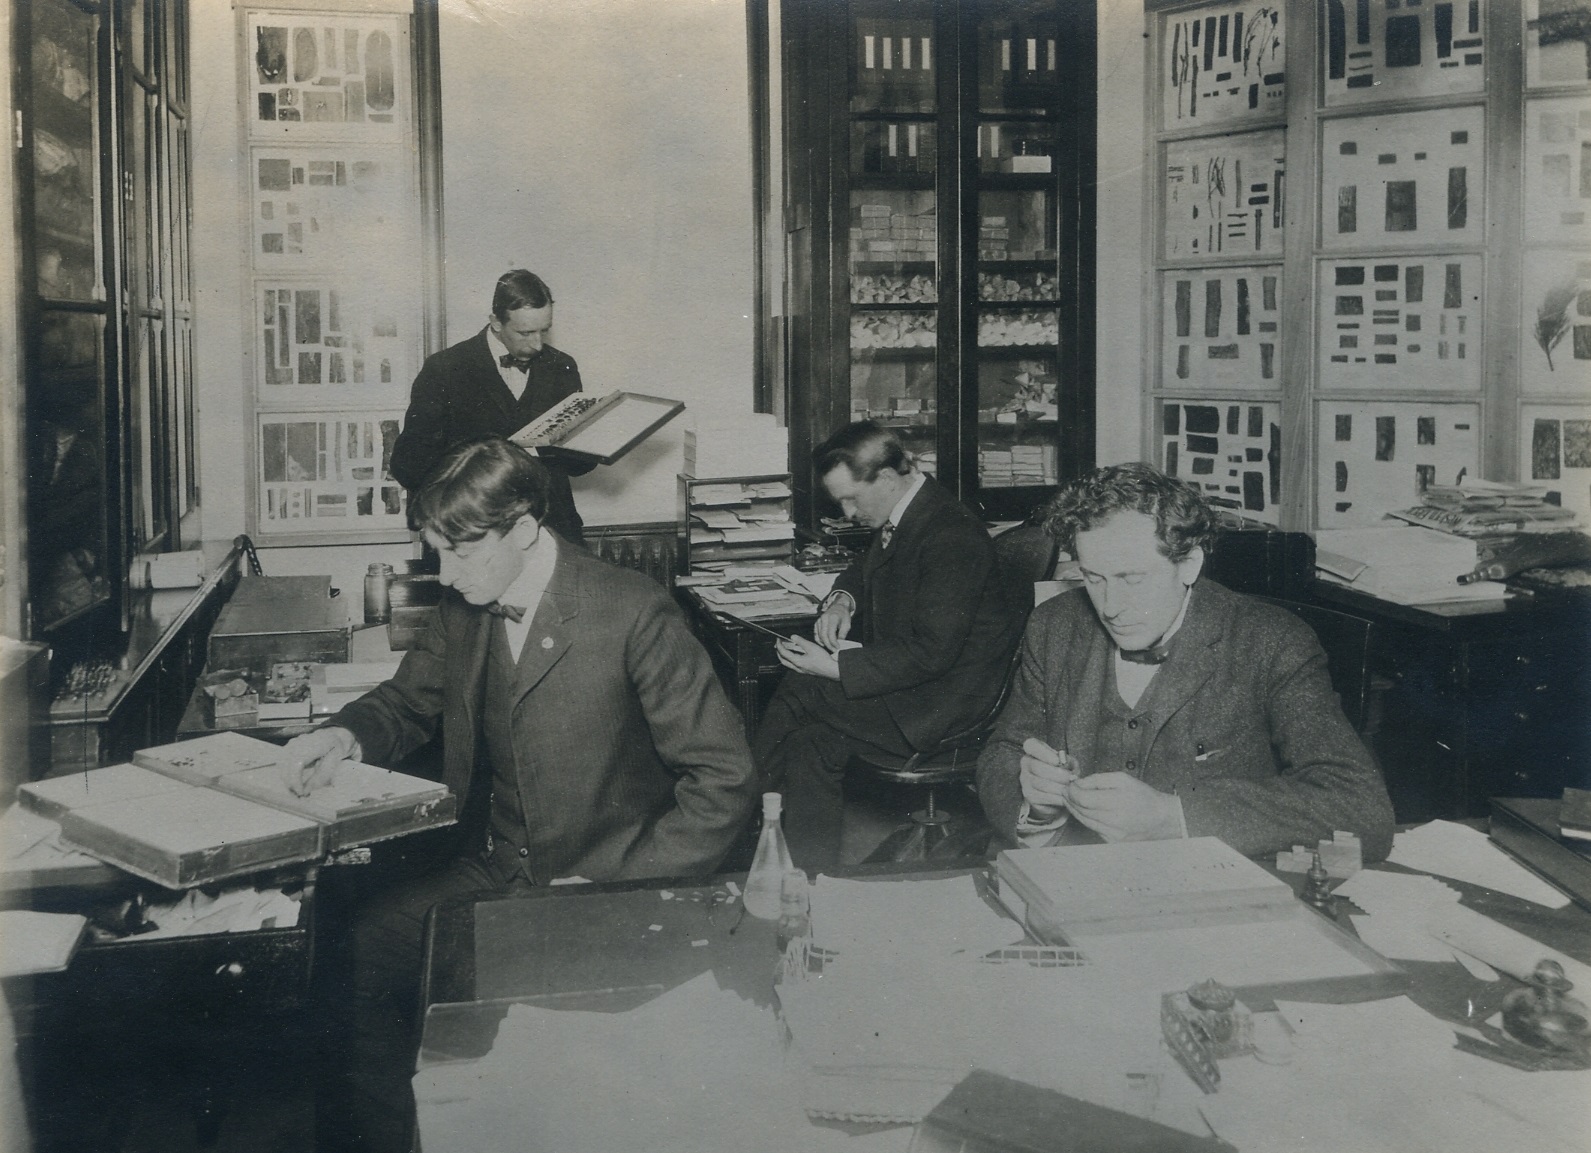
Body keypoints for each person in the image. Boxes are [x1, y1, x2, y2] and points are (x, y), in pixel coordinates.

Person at [286, 437, 757, 1152]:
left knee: (508, 1055)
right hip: (498, 865)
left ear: (525, 531)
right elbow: (408, 701)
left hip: (602, 882)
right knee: (361, 948)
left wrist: (618, 892)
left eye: (460, 553)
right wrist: (344, 736)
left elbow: (722, 779)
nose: (444, 574)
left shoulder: (631, 611)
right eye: (434, 552)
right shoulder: (466, 601)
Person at [977, 462, 1395, 861]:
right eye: (1093, 578)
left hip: (1208, 888)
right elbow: (1005, 751)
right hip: (1069, 874)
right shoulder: (1055, 624)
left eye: (1132, 578)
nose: (1109, 606)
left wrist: (1173, 816)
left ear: (1189, 565)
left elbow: (1360, 807)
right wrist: (1037, 808)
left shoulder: (1271, 641)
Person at [753, 421, 1023, 869]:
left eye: (850, 498)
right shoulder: (909, 512)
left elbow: (931, 652)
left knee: (803, 688)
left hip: (945, 702)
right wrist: (842, 600)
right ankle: (805, 872)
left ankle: (734, 823)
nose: (845, 511)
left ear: (887, 477)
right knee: (809, 745)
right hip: (919, 682)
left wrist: (833, 667)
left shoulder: (951, 534)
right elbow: (865, 568)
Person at [388, 269, 592, 542]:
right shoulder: (445, 369)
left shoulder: (562, 366)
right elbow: (408, 465)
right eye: (525, 332)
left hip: (552, 532)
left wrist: (594, 435)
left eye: (544, 331)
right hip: (474, 535)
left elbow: (579, 467)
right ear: (496, 322)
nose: (537, 344)